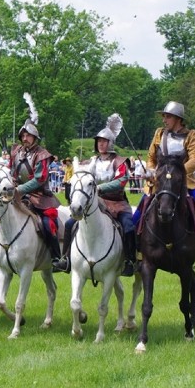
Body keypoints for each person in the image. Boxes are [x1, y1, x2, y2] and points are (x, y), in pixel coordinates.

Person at [132, 101, 195, 271]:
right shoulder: (159, 134)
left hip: (186, 183)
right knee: (136, 218)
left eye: (168, 116)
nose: (164, 119)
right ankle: (137, 254)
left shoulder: (191, 135)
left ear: (178, 118)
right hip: (158, 184)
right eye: (164, 116)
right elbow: (151, 158)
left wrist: (177, 174)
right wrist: (150, 170)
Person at [55, 114, 136, 276]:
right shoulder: (91, 161)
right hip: (94, 203)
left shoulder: (120, 162)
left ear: (111, 143)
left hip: (117, 204)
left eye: (104, 141)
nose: (101, 144)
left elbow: (121, 182)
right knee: (71, 224)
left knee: (128, 227)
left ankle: (129, 261)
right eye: (99, 141)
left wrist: (99, 189)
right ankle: (66, 259)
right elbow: (81, 175)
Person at [10, 93, 65, 272]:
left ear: (34, 137)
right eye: (23, 135)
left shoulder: (43, 155)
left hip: (40, 198)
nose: (25, 138)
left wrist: (18, 189)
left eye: (28, 135)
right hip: (17, 195)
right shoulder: (16, 152)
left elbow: (40, 179)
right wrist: (11, 186)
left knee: (47, 225)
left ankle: (57, 258)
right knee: (0, 220)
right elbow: (13, 172)